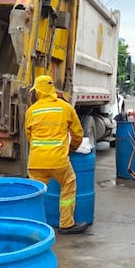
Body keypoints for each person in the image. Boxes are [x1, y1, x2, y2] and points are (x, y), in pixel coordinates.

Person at [25, 75, 90, 235]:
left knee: (35, 194)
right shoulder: (65, 108)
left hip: (36, 162)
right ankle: (66, 224)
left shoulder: (31, 111)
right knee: (68, 184)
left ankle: (32, 225)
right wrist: (73, 147)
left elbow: (29, 135)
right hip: (59, 161)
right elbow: (77, 133)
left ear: (38, 92)